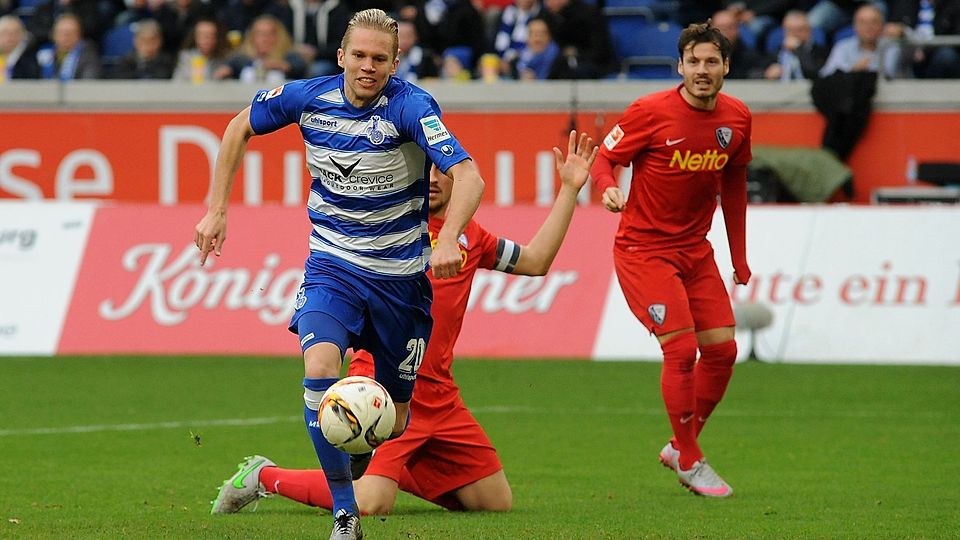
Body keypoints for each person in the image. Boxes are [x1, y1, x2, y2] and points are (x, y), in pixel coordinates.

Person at [194, 8, 485, 540]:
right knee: (321, 362)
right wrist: (217, 210)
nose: (368, 66)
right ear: (341, 56)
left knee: (395, 419)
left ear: (395, 62)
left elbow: (468, 175)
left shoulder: (412, 107)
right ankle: (345, 514)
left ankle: (350, 456)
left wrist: (447, 239)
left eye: (380, 58)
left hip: (399, 285)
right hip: (333, 268)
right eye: (360, 55)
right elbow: (239, 126)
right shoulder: (308, 97)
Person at [209, 129, 598, 517]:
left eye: (441, 170)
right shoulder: (387, 226)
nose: (432, 178)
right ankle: (264, 476)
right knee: (372, 502)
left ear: (456, 174)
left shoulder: (471, 237)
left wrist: (569, 189)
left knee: (494, 502)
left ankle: (389, 470)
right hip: (385, 384)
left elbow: (535, 261)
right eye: (424, 169)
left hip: (441, 397)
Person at [589, 20, 753, 498]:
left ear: (726, 67)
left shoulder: (738, 118)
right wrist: (607, 188)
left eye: (711, 62)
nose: (702, 70)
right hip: (643, 252)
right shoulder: (650, 111)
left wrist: (740, 257)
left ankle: (681, 446)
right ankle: (690, 457)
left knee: (722, 351)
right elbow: (604, 158)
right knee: (681, 352)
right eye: (693, 61)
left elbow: (735, 186)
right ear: (679, 66)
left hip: (696, 252)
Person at [763, 10, 829, 80]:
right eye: (790, 30)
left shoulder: (821, 52)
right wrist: (766, 74)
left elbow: (814, 74)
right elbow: (756, 72)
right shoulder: (776, 52)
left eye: (799, 30)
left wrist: (798, 49)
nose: (794, 34)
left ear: (809, 30)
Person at [172, 17, 232, 83]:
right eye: (203, 35)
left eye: (211, 35)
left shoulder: (223, 58)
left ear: (216, 38)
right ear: (195, 37)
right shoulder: (186, 57)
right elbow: (177, 81)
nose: (207, 40)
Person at [0, 14, 41, 80]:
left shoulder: (30, 60)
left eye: (15, 32)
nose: (10, 37)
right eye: (5, 32)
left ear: (23, 35)